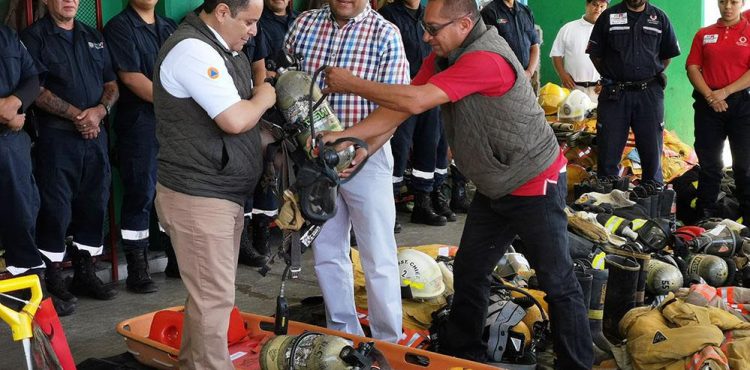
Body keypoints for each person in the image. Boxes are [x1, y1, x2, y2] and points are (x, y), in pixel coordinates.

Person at [321, 0, 592, 366]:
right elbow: (399, 109)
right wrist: (353, 140)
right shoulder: (445, 56)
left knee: (557, 282)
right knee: (469, 270)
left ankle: (576, 364)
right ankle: (463, 354)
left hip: (533, 183)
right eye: (425, 26)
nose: (425, 35)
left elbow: (416, 100)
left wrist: (351, 84)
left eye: (433, 28)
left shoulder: (485, 59)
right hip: (496, 183)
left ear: (464, 25)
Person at [153, 0, 276, 367]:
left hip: (219, 191)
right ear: (222, 12)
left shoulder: (224, 49)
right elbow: (235, 119)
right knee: (214, 298)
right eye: (249, 22)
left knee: (207, 298)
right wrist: (265, 95)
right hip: (199, 195)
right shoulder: (192, 50)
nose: (254, 31)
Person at [284, 0, 410, 343]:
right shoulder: (303, 26)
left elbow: (397, 107)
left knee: (378, 253)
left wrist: (365, 146)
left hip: (367, 158)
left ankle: (387, 340)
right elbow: (287, 83)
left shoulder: (386, 34)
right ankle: (342, 336)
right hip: (314, 160)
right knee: (326, 250)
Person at [22, 0, 120, 304]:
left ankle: (84, 273)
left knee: (94, 203)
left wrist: (99, 112)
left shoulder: (93, 35)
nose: (70, 0)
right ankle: (52, 276)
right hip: (56, 139)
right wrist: (81, 117)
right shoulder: (33, 37)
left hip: (95, 136)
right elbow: (35, 90)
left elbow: (112, 83)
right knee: (55, 207)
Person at [0, 23, 76, 316]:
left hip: (11, 143)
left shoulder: (6, 35)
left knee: (23, 213)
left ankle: (29, 292)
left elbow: (31, 76)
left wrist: (16, 102)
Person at [104, 0, 177, 294]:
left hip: (172, 127)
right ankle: (138, 268)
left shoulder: (169, 28)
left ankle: (175, 258)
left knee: (172, 193)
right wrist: (178, 105)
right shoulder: (120, 27)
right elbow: (132, 78)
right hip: (140, 126)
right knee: (140, 193)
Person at [586, 0, 680, 184]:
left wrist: (648, 74)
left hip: (649, 95)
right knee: (608, 152)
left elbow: (667, 56)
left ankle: (651, 198)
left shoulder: (660, 18)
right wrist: (614, 74)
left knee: (652, 153)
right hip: (615, 95)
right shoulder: (608, 16)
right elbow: (595, 54)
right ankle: (606, 204)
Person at [380, 0, 454, 227]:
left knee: (430, 146)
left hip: (429, 92)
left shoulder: (430, 14)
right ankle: (387, 208)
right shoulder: (388, 15)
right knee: (398, 150)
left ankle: (424, 202)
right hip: (402, 94)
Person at [237, 0, 298, 268]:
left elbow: (259, 67)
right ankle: (244, 240)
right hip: (233, 111)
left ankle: (263, 236)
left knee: (269, 171)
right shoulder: (204, 31)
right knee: (245, 175)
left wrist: (261, 100)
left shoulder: (296, 20)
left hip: (265, 107)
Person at [687, 0, 750, 223]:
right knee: (710, 165)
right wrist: (711, 96)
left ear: (741, 4)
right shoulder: (704, 34)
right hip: (708, 106)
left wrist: (725, 92)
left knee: (745, 166)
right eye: (723, 1)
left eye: (734, 2)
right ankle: (705, 215)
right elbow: (692, 67)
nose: (728, 6)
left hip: (742, 105)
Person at [550, 0, 608, 101]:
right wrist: (562, 74)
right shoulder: (568, 28)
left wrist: (608, 82)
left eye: (602, 6)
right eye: (594, 4)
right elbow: (556, 54)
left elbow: (616, 59)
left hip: (599, 91)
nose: (598, 9)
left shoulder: (609, 31)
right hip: (572, 89)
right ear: (587, 5)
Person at [481, 0, 540, 91]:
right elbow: (488, 50)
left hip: (527, 79)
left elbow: (534, 46)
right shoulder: (489, 12)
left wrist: (529, 72)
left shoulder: (526, 11)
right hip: (503, 82)